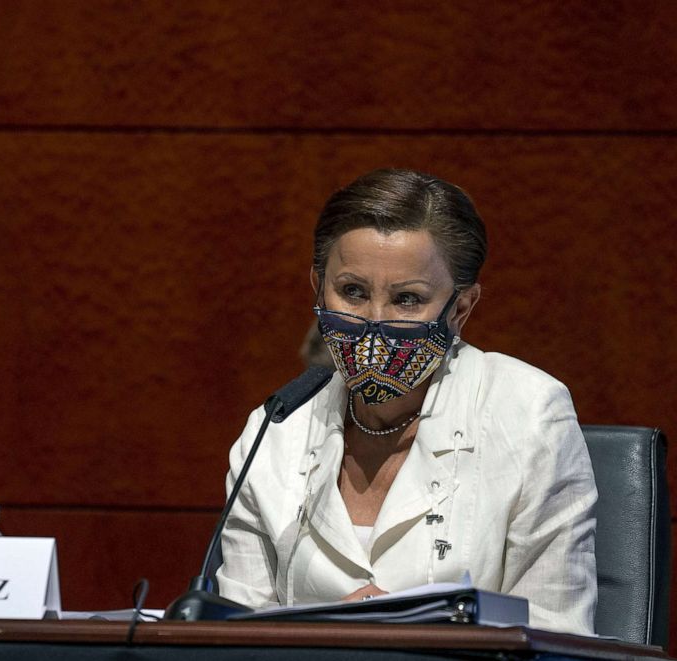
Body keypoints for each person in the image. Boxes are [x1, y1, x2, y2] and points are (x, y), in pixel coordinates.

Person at [216, 168, 597, 635]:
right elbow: (234, 638)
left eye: (408, 299)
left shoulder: (529, 414)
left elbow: (557, 638)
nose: (375, 321)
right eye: (352, 291)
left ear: (461, 309)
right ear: (318, 286)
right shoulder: (275, 430)